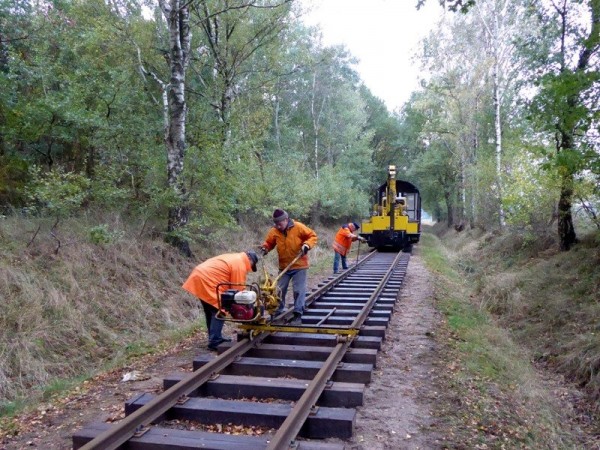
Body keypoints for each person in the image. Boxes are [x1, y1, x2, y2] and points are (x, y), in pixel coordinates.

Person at [182, 250, 259, 350]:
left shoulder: (235, 257)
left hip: (199, 276)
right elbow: (238, 289)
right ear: (249, 259)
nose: (249, 268)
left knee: (210, 310)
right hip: (208, 280)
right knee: (220, 309)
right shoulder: (240, 263)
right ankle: (215, 341)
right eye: (252, 264)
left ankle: (214, 337)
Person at [260, 209, 318, 325]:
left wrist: (306, 245)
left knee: (298, 290)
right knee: (279, 290)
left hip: (299, 264)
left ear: (286, 220)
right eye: (276, 224)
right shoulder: (274, 231)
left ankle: (298, 314)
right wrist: (265, 248)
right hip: (284, 266)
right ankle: (278, 311)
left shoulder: (298, 227)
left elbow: (312, 236)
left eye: (279, 224)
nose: (278, 226)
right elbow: (269, 243)